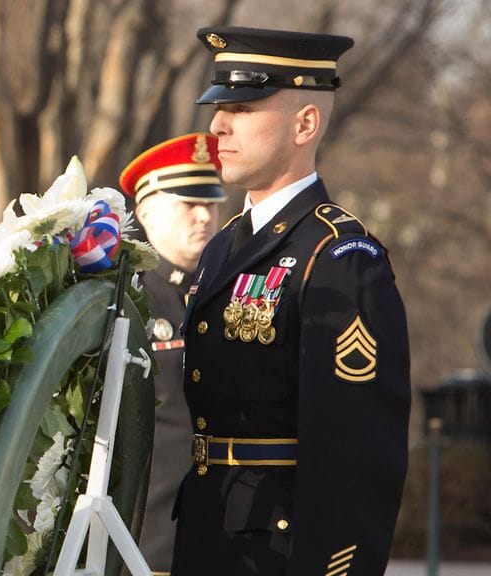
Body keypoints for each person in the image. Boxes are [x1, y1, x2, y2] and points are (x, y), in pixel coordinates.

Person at [172, 27, 410, 575]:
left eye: (245, 107)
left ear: (306, 123)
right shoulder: (225, 246)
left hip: (280, 553)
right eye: (218, 106)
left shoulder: (341, 257)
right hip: (211, 538)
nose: (217, 124)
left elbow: (357, 453)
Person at [118, 132, 227, 575]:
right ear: (145, 211)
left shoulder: (227, 294)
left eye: (212, 202)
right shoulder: (125, 300)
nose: (204, 216)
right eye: (188, 202)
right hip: (148, 542)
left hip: (223, 538)